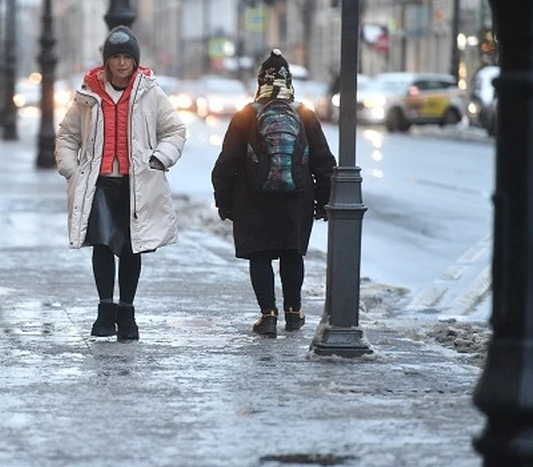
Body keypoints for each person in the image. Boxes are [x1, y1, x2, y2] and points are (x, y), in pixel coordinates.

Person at [55, 25, 186, 341]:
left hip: (136, 183)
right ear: (106, 61)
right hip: (99, 181)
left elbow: (175, 131)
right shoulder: (88, 93)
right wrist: (71, 168)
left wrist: (159, 159)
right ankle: (104, 310)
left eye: (128, 56)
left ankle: (127, 312)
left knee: (131, 248)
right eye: (116, 57)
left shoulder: (150, 92)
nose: (122, 63)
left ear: (136, 60)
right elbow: (68, 134)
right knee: (101, 245)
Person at [210, 49, 336, 337]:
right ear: (289, 81)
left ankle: (267, 315)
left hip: (253, 199)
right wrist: (323, 201)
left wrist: (225, 202)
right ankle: (294, 313)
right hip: (297, 198)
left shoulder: (245, 115)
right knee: (292, 255)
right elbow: (324, 161)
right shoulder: (304, 113)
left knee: (260, 256)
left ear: (260, 81)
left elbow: (226, 163)